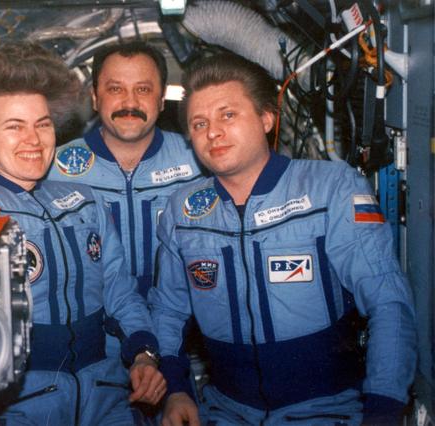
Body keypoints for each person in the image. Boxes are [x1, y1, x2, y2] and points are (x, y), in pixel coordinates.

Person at [150, 52, 417, 426]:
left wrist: (383, 409)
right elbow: (168, 311)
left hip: (327, 409)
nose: (212, 132)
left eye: (228, 115)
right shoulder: (183, 211)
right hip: (225, 409)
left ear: (266, 118)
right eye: (199, 123)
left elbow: (387, 302)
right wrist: (176, 390)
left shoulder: (331, 188)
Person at [0, 41, 166, 425]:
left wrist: (144, 354)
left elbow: (119, 291)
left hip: (106, 392)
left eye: (42, 124)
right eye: (14, 126)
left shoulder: (84, 200)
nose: (34, 139)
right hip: (19, 402)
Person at [47, 41, 204, 301]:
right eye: (115, 89)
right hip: (93, 316)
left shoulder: (199, 161)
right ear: (95, 98)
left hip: (182, 315)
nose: (130, 102)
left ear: (162, 99)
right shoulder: (53, 168)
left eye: (143, 89)